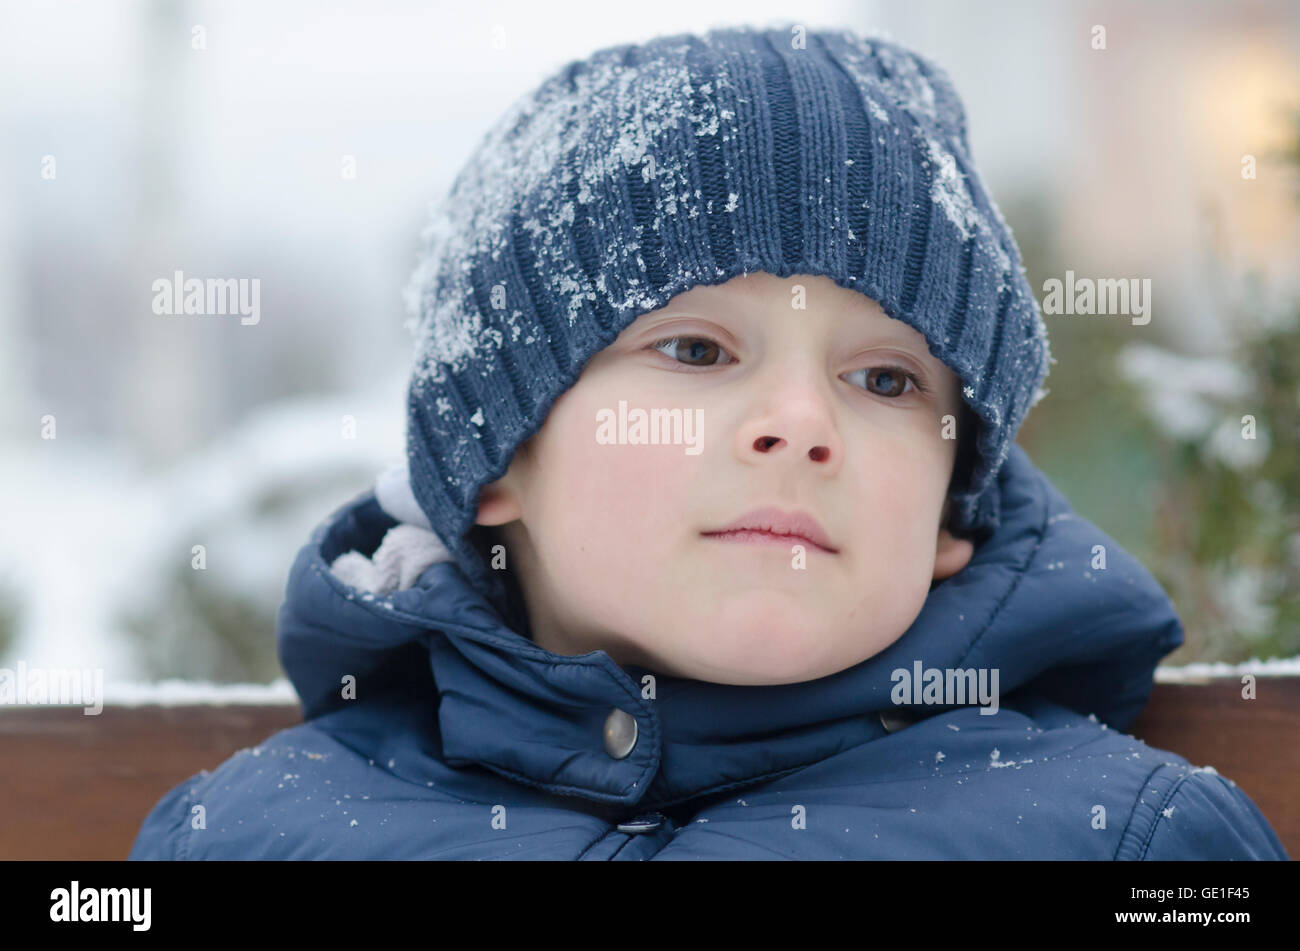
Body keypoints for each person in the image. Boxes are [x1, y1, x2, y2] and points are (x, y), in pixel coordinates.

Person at [128, 24, 1288, 860]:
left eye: (883, 378)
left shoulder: (1127, 846)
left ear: (948, 510)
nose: (799, 425)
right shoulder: (247, 841)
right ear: (495, 461)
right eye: (695, 353)